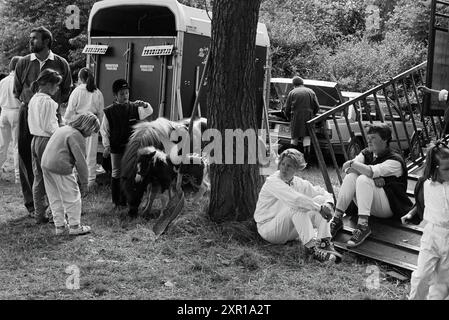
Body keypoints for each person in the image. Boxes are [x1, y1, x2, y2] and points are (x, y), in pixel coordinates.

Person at [13, 26, 72, 216]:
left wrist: (50, 107)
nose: (30, 42)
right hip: (27, 114)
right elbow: (16, 91)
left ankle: (54, 203)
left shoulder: (61, 63)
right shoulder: (23, 63)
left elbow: (65, 91)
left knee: (51, 158)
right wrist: (33, 107)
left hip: (51, 114)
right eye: (30, 38)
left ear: (46, 41)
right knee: (25, 154)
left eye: (34, 39)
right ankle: (33, 205)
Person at [329, 123, 413, 247]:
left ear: (385, 139)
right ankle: (337, 219)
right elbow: (347, 169)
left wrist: (356, 166)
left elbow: (361, 168)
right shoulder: (366, 153)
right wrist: (373, 175)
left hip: (389, 207)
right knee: (352, 177)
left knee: (363, 179)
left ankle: (363, 226)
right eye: (368, 137)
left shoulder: (395, 160)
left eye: (373, 137)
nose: (369, 140)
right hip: (367, 205)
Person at [254, 148, 342, 263]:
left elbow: (323, 193)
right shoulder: (273, 181)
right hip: (269, 229)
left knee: (320, 199)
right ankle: (311, 249)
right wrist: (320, 209)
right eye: (282, 164)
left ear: (297, 168)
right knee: (297, 205)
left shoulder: (299, 182)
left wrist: (329, 205)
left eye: (289, 166)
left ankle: (324, 242)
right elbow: (295, 200)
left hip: (289, 231)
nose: (284, 168)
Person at [402, 141, 449, 300]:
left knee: (442, 281)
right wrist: (411, 214)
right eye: (447, 169)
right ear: (435, 168)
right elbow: (421, 203)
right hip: (432, 234)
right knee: (421, 275)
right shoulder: (424, 184)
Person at [42, 112, 100, 236]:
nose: (91, 135)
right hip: (60, 166)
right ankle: (75, 226)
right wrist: (85, 183)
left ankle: (60, 226)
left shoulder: (64, 129)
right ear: (87, 126)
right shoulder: (76, 135)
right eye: (93, 130)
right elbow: (81, 162)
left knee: (54, 196)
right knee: (72, 197)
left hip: (46, 164)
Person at [100, 79, 153, 208]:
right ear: (115, 96)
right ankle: (117, 201)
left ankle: (129, 199)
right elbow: (104, 130)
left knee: (130, 172)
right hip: (116, 147)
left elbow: (149, 111)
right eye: (122, 94)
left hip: (131, 148)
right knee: (116, 173)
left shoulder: (135, 107)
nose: (125, 96)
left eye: (127, 93)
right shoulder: (109, 111)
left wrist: (145, 105)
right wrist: (107, 146)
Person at [28, 69, 62, 223]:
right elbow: (49, 126)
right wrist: (62, 132)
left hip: (34, 140)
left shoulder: (34, 98)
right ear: (48, 85)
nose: (58, 88)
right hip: (46, 141)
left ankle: (39, 213)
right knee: (52, 178)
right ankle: (56, 214)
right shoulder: (48, 102)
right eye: (56, 85)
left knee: (38, 178)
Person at [64, 67, 104, 189]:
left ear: (80, 79)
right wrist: (98, 127)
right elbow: (101, 113)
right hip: (92, 124)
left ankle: (76, 178)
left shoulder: (77, 91)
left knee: (77, 153)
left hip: (78, 125)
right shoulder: (98, 92)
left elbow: (70, 111)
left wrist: (68, 122)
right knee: (91, 154)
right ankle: (91, 180)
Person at [282, 76, 320, 162]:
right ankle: (307, 162)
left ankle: (292, 160)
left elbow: (287, 108)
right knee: (307, 137)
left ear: (294, 85)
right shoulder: (311, 91)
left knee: (294, 138)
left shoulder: (292, 92)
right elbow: (317, 107)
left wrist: (288, 117)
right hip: (309, 118)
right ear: (302, 83)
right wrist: (312, 114)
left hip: (296, 118)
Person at [0, 56, 22, 183]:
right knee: (17, 145)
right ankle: (18, 176)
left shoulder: (2, 81)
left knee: (2, 144)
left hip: (4, 111)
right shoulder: (19, 81)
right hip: (15, 111)